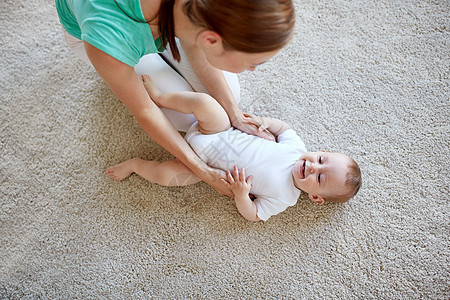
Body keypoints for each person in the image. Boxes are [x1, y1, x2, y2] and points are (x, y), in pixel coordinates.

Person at [55, 0, 295, 196]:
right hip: (105, 36)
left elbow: (193, 43)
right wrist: (202, 170)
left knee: (224, 98)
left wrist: (234, 113)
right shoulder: (107, 38)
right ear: (210, 40)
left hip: (162, 20)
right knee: (186, 118)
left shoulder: (199, 14)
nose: (253, 69)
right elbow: (146, 110)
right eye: (253, 63)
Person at [107, 75, 362, 222]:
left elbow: (253, 215)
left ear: (315, 198)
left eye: (319, 177)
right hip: (220, 132)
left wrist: (241, 195)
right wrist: (265, 123)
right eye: (321, 158)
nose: (313, 165)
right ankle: (161, 97)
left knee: (167, 176)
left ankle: (135, 165)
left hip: (206, 167)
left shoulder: (285, 198)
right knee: (206, 104)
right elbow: (284, 128)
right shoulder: (296, 148)